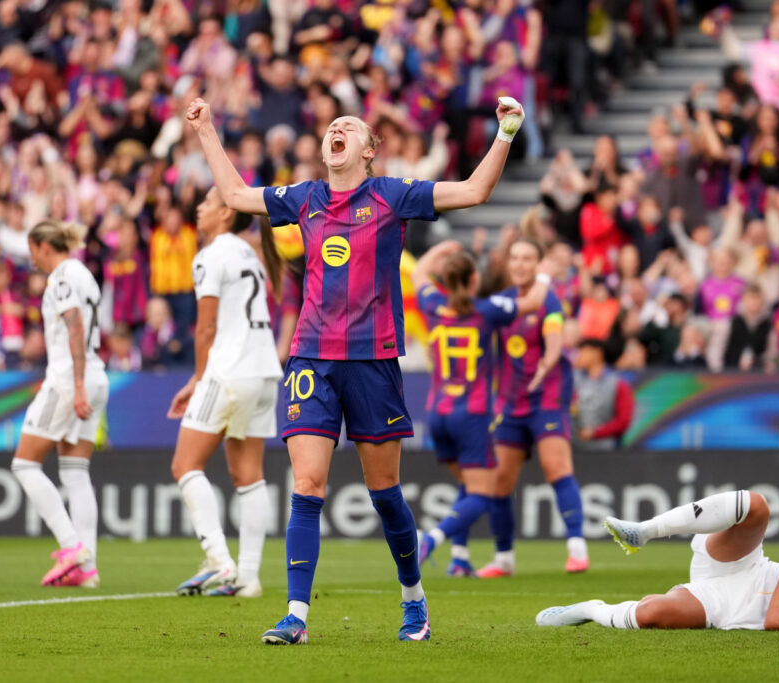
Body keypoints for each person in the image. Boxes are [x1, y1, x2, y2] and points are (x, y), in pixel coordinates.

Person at [184, 93, 526, 644]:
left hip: (373, 360)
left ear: (370, 151)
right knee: (308, 484)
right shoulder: (305, 197)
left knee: (385, 491)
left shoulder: (393, 195)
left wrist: (506, 132)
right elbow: (233, 194)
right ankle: (296, 615)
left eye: (351, 127)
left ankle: (414, 600)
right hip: (312, 359)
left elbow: (474, 190)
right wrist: (205, 131)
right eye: (333, 126)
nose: (337, 129)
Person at [410, 239, 553, 576]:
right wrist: (545, 275)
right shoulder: (485, 311)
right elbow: (533, 302)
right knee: (483, 493)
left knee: (470, 486)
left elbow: (418, 271)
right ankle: (432, 538)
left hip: (438, 413)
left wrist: (439, 248)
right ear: (474, 280)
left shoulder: (433, 303)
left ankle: (459, 558)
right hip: (471, 414)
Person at [537, 491, 779, 632]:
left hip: (733, 604)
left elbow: (778, 621)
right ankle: (645, 530)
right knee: (755, 505)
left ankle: (590, 609)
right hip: (746, 566)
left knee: (651, 613)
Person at [167, 186, 283, 599]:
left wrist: (198, 378)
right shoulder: (249, 253)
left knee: (185, 465)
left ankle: (218, 560)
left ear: (227, 214)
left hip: (229, 371)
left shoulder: (212, 254)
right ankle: (248, 577)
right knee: (248, 477)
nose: (199, 206)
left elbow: (206, 328)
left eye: (209, 202)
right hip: (264, 371)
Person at [10, 220, 109, 588]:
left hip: (71, 377)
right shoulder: (84, 273)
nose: (31, 258)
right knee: (74, 472)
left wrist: (78, 384)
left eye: (31, 249)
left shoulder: (62, 277)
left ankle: (72, 548)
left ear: (41, 245)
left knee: (24, 464)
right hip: (96, 374)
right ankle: (88, 568)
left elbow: (75, 326)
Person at [480, 238, 586, 578]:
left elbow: (554, 341)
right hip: (511, 404)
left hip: (548, 398)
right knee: (499, 482)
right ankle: (504, 559)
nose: (520, 264)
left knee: (557, 468)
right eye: (515, 258)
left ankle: (576, 548)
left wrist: (546, 364)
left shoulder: (549, 300)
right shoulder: (502, 302)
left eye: (527, 258)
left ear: (537, 264)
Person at [573, 338, 635, 449]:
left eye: (583, 351)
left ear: (597, 353)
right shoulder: (574, 380)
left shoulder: (618, 384)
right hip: (576, 446)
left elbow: (623, 420)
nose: (579, 356)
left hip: (606, 449)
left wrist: (595, 433)